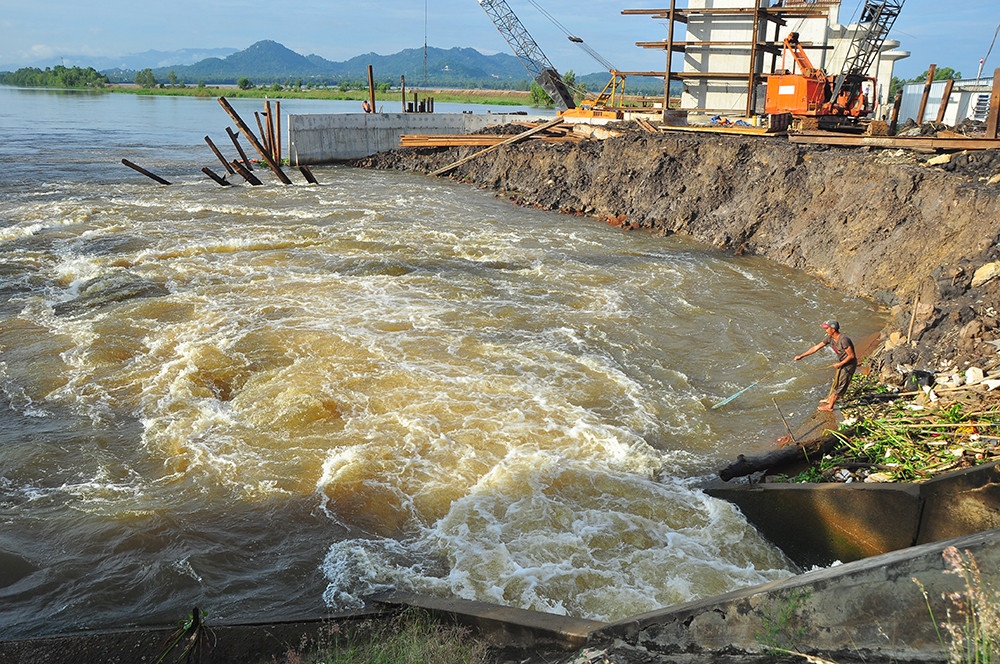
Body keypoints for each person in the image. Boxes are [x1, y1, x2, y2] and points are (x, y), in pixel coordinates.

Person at [795, 320, 857, 411]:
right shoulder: (830, 338)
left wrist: (840, 364)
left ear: (833, 329)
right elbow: (816, 347)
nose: (826, 330)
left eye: (827, 328)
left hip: (849, 365)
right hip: (842, 363)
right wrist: (801, 356)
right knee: (836, 382)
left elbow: (851, 356)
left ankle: (830, 406)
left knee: (841, 385)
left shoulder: (844, 340)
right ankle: (829, 399)